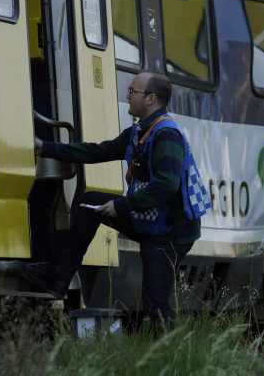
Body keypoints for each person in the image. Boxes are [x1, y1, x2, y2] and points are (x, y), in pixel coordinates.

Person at [21, 71, 201, 325]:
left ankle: (173, 358)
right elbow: (97, 151)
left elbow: (166, 186)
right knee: (88, 205)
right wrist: (46, 148)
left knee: (156, 306)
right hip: (150, 218)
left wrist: (121, 205)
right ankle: (57, 279)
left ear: (151, 98)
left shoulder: (166, 135)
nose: (128, 96)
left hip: (171, 231)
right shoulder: (138, 132)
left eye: (132, 91)